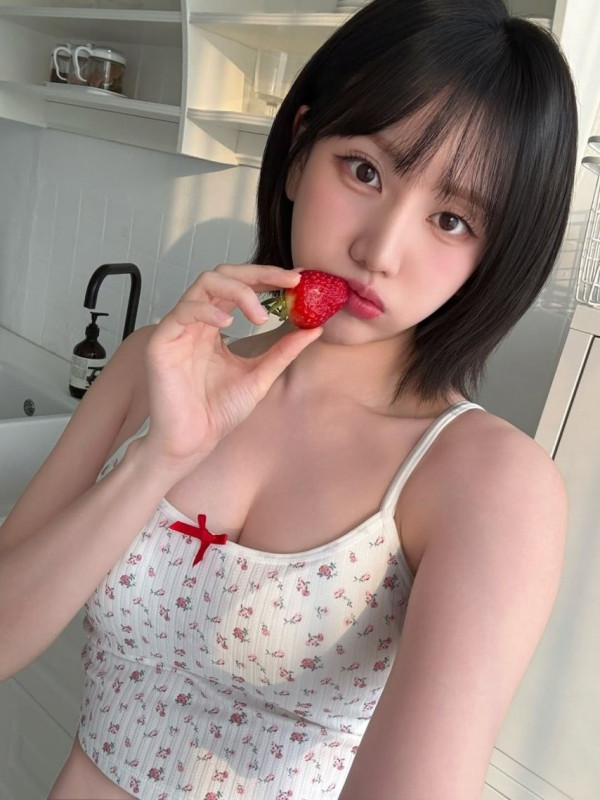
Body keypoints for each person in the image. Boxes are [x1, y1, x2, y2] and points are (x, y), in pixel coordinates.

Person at [0, 0, 576, 798]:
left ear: (496, 255)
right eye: (365, 171)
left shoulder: (484, 482)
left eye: (451, 220)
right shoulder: (151, 367)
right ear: (301, 152)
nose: (379, 250)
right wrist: (157, 460)